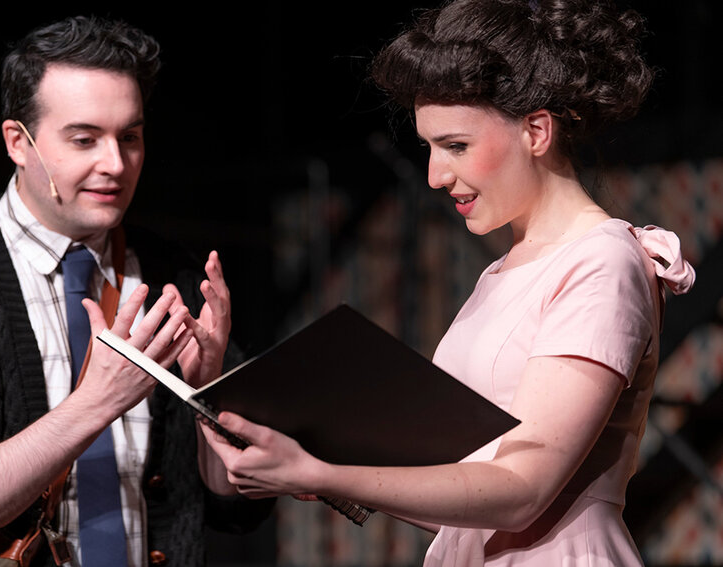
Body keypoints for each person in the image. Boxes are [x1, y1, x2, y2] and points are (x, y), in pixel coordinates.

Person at [200, 0, 696, 565]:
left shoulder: (602, 261)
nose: (436, 175)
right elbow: (466, 497)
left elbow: (523, 492)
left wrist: (326, 470)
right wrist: (325, 466)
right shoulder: (502, 269)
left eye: (456, 146)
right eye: (429, 148)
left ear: (537, 130)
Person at [0, 16, 271, 567]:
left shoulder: (173, 273)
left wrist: (210, 396)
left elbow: (237, 510)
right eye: (84, 139)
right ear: (18, 142)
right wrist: (97, 400)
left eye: (129, 137)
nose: (115, 164)